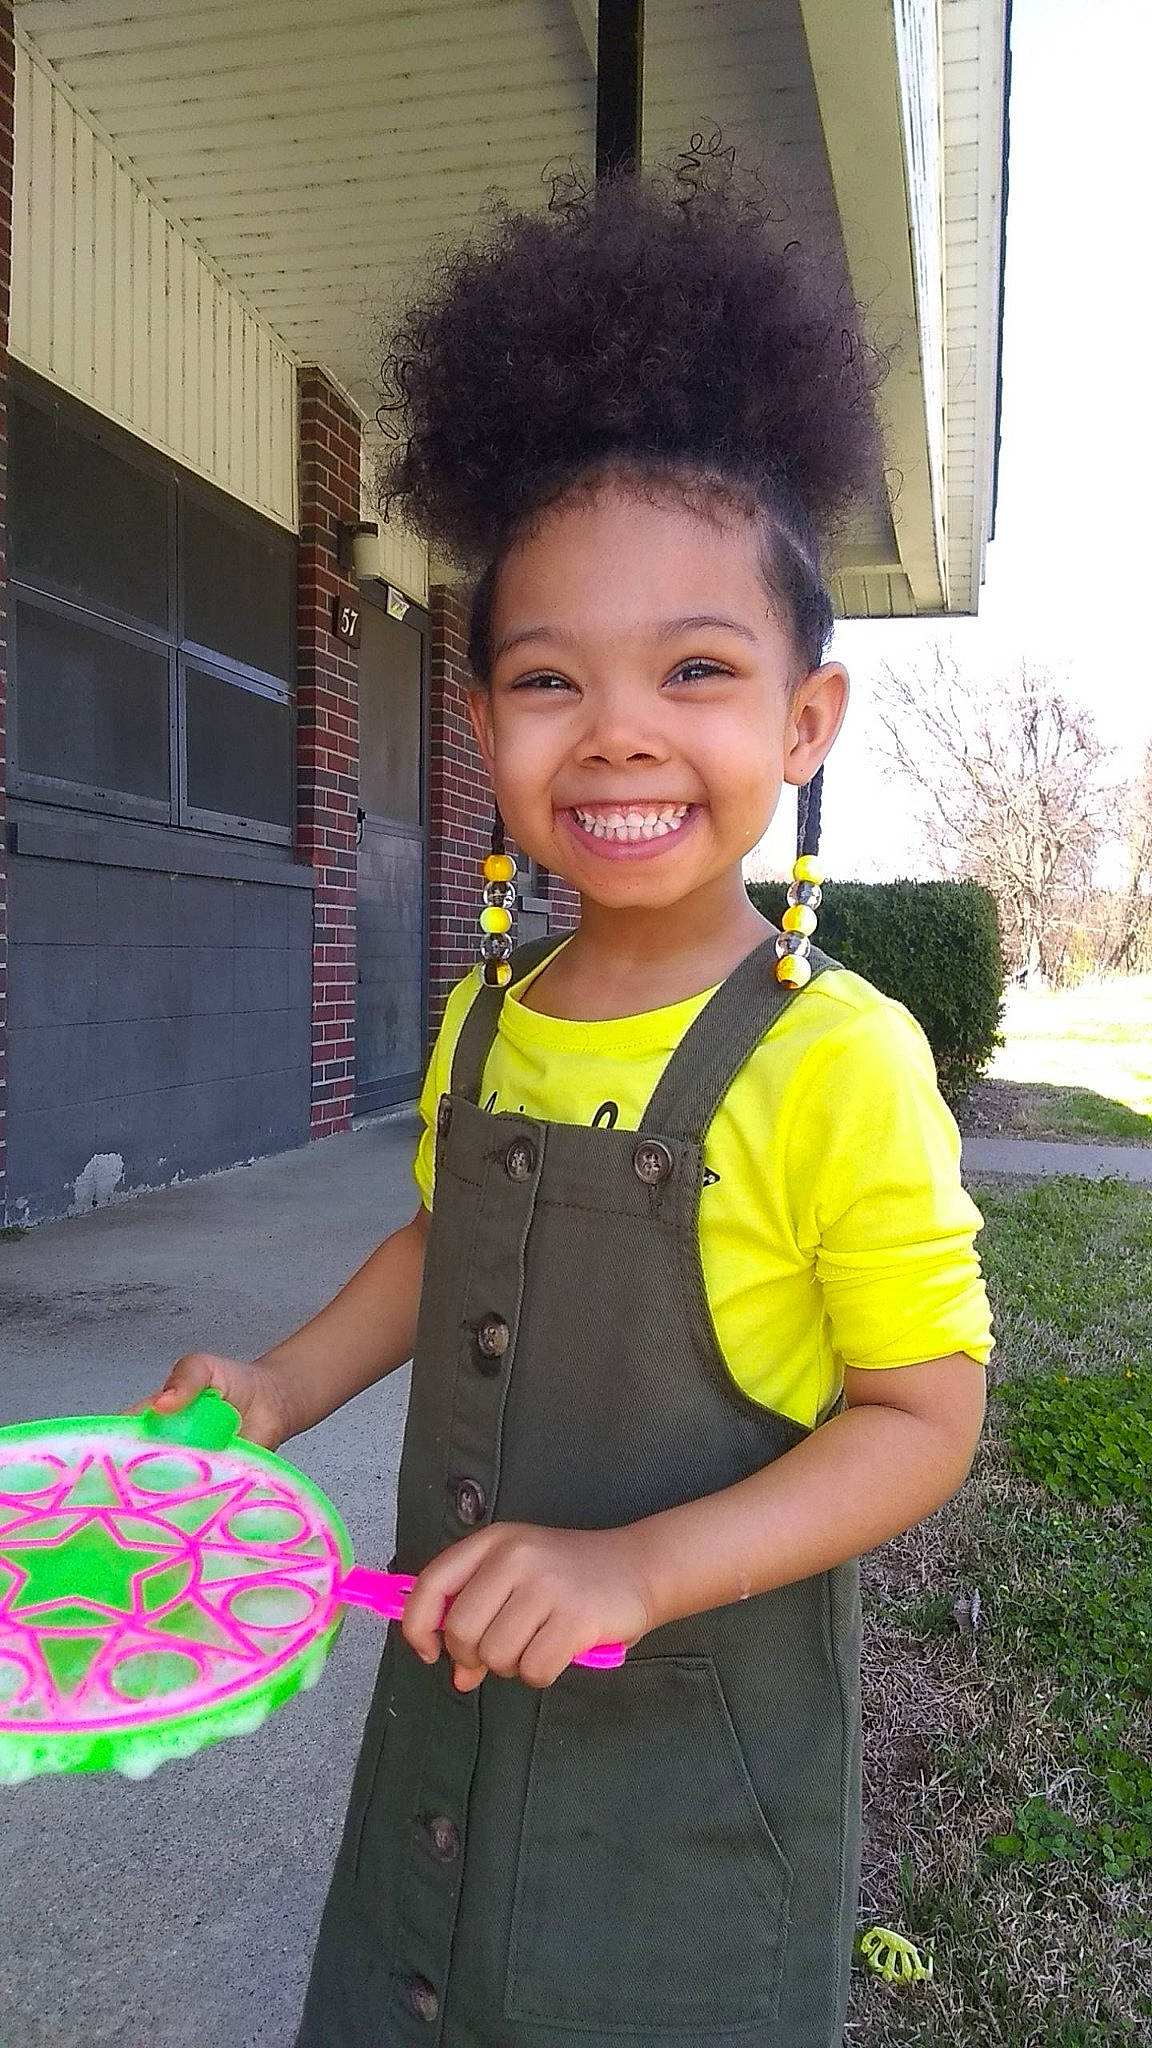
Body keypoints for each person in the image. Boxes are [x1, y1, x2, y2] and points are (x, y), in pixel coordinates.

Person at [137, 163, 992, 2047]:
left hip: (693, 1803)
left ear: (804, 722)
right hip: (443, 1739)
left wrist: (638, 1564)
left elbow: (925, 1416)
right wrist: (279, 1390)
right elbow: (450, 1240)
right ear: (484, 721)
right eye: (547, 678)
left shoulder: (835, 1056)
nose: (615, 729)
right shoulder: (488, 1013)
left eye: (695, 669)